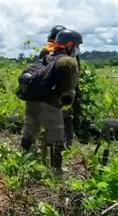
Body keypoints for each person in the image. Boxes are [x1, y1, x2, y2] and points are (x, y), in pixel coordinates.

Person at [21, 29, 82, 173]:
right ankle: (56, 171)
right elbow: (69, 91)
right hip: (50, 105)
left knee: (29, 134)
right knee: (57, 138)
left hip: (32, 103)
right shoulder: (67, 61)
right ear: (69, 44)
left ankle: (25, 165)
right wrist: (66, 99)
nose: (77, 49)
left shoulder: (47, 57)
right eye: (76, 45)